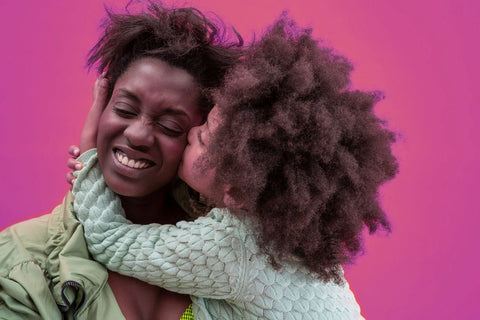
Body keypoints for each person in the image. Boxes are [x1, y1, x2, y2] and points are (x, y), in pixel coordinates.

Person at [69, 15, 398, 319]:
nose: (192, 132)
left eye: (204, 137)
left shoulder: (228, 247)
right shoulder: (285, 234)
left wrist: (89, 155)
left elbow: (110, 240)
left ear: (238, 190)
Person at [0, 2, 242, 319]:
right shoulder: (22, 259)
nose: (139, 135)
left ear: (202, 137)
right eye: (125, 110)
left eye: (170, 126)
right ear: (101, 107)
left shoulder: (233, 253)